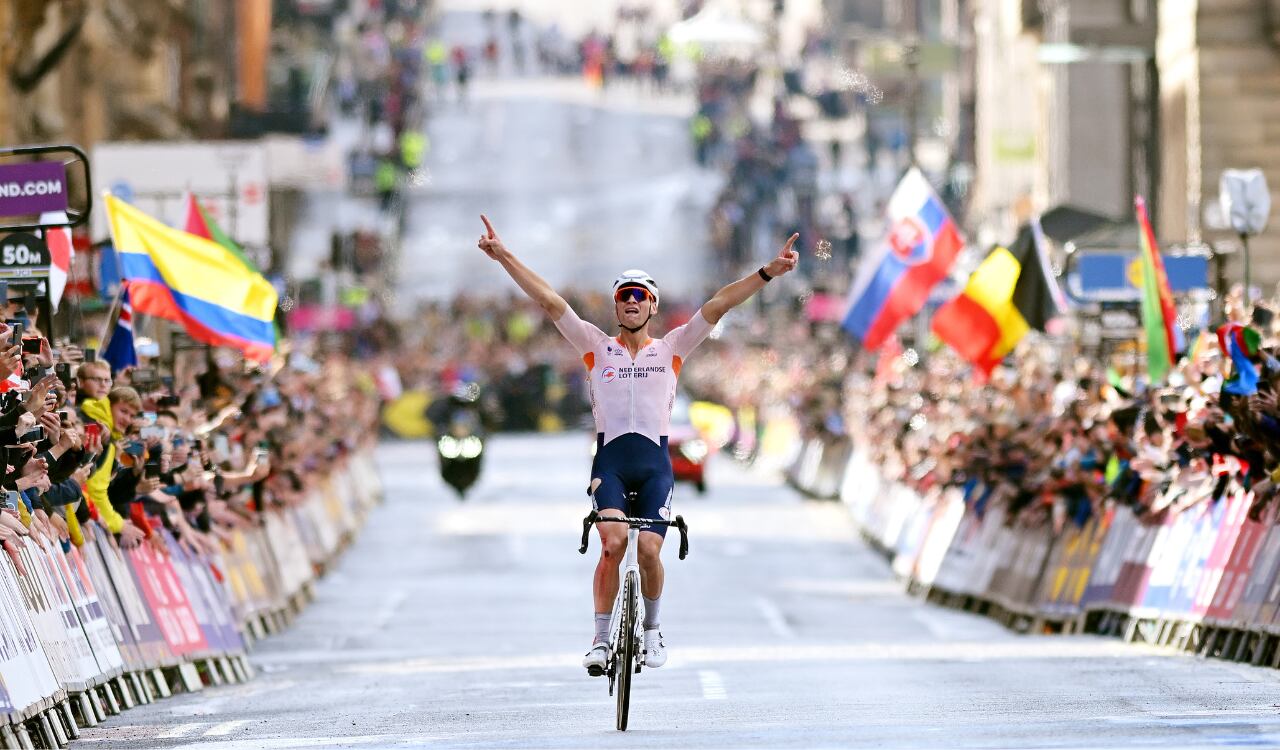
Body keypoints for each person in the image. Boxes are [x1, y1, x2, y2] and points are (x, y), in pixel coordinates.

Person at [475, 214, 798, 675]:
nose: (630, 302)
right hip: (610, 462)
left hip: (653, 466)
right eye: (623, 296)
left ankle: (652, 631)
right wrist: (504, 254)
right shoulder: (594, 345)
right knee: (612, 542)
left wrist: (769, 271)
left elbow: (719, 304)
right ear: (615, 307)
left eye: (639, 296)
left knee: (647, 549)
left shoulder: (672, 349)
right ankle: (601, 640)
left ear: (652, 306)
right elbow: (549, 302)